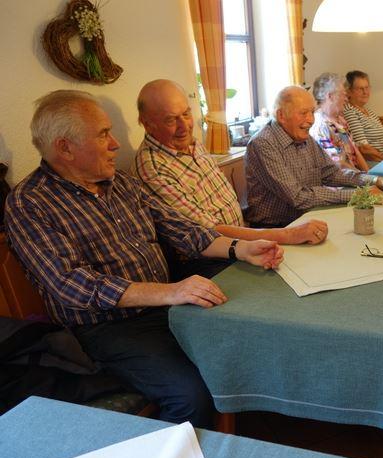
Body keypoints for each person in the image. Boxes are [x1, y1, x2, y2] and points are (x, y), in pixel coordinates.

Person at [4, 90, 284, 429]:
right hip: (106, 327)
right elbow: (72, 285)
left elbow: (180, 228)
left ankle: (251, 433)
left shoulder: (120, 182)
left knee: (250, 329)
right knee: (189, 395)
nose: (115, 144)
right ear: (65, 148)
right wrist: (171, 292)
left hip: (162, 305)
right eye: (103, 134)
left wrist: (240, 248)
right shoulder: (29, 203)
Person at [134, 79, 328, 246]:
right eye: (171, 120)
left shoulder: (191, 144)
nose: (184, 126)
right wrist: (287, 235)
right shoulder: (153, 167)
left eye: (186, 114)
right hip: (213, 256)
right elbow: (209, 231)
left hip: (243, 238)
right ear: (147, 124)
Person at [244, 85, 383, 227]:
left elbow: (332, 173)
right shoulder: (263, 143)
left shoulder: (304, 137)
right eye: (303, 113)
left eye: (312, 112)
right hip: (277, 229)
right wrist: (359, 194)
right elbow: (298, 197)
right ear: (281, 115)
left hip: (309, 218)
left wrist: (375, 180)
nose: (311, 120)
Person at [310, 72, 369, 172]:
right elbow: (337, 162)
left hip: (355, 175)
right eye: (343, 95)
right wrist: (364, 177)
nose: (346, 99)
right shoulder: (320, 125)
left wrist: (370, 174)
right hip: (339, 179)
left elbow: (355, 152)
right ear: (330, 96)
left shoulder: (340, 120)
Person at [343, 70, 383, 162]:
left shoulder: (369, 112)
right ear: (349, 91)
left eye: (367, 87)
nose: (365, 92)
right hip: (372, 163)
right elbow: (364, 149)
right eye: (360, 89)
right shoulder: (350, 111)